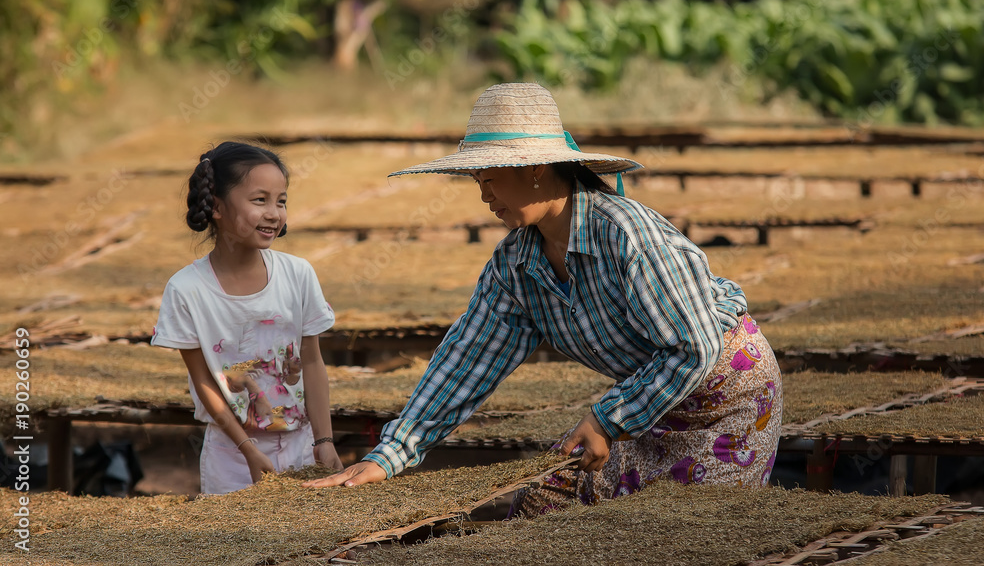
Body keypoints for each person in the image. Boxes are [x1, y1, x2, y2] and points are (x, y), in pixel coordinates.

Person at [303, 83, 782, 514]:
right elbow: (467, 360)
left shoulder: (628, 236)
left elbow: (694, 347)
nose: (485, 197)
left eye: (489, 180)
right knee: (541, 501)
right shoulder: (516, 264)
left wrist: (608, 419)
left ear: (533, 169)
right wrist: (390, 455)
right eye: (478, 183)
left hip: (726, 398)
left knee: (688, 531)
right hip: (647, 404)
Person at [153, 141, 342, 495]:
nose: (274, 213)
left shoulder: (298, 275)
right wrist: (247, 450)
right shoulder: (187, 290)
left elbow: (312, 362)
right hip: (233, 455)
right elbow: (205, 382)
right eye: (260, 200)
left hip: (303, 446)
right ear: (217, 206)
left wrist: (325, 438)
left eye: (281, 201)